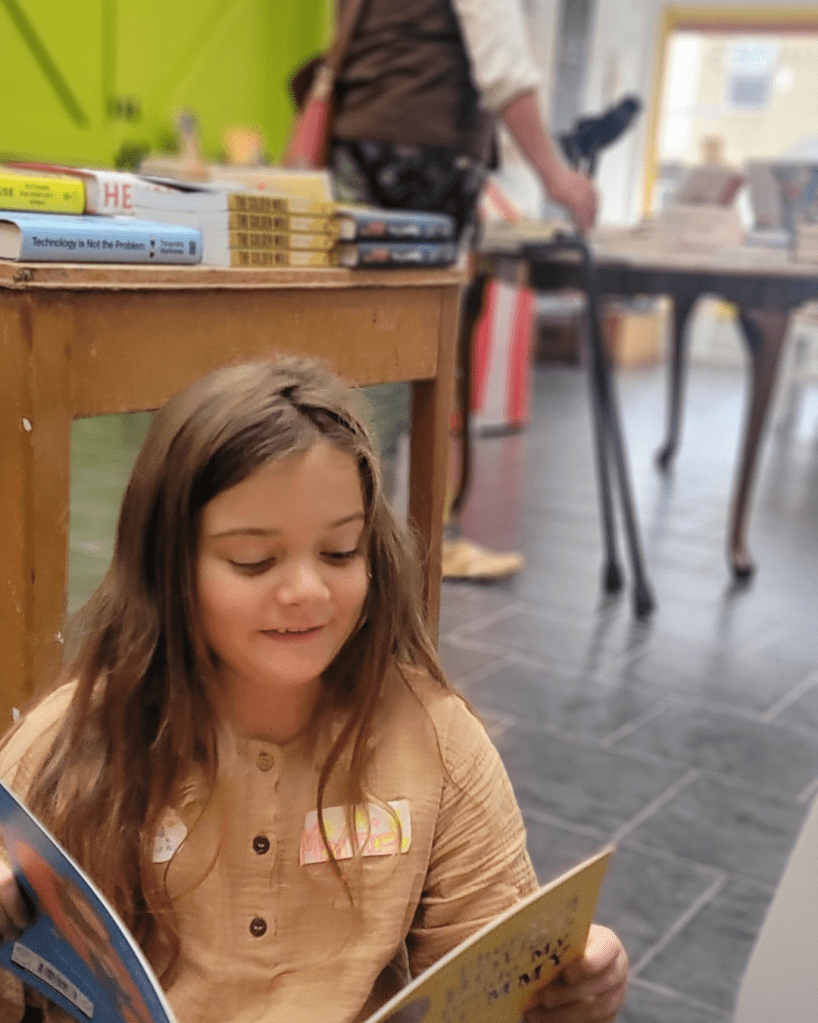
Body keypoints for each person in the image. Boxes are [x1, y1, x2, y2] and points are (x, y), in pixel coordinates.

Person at [0, 355, 627, 1022]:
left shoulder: (436, 743)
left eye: (339, 552)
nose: (307, 591)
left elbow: (493, 979)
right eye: (254, 560)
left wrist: (572, 983)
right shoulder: (64, 745)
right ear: (169, 565)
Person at [329, 0, 598, 581]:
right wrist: (555, 173)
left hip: (355, 149)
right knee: (425, 360)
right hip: (425, 157)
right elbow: (503, 67)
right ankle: (421, 545)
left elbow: (343, 46)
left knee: (360, 356)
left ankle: (351, 538)